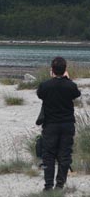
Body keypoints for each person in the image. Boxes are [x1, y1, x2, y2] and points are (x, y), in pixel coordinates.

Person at [37, 57, 81, 191]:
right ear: (65, 69)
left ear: (52, 70)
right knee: (65, 155)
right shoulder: (70, 85)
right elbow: (76, 94)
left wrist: (53, 79)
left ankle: (48, 185)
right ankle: (60, 185)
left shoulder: (45, 85)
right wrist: (67, 79)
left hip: (50, 125)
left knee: (48, 155)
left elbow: (40, 95)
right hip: (67, 125)